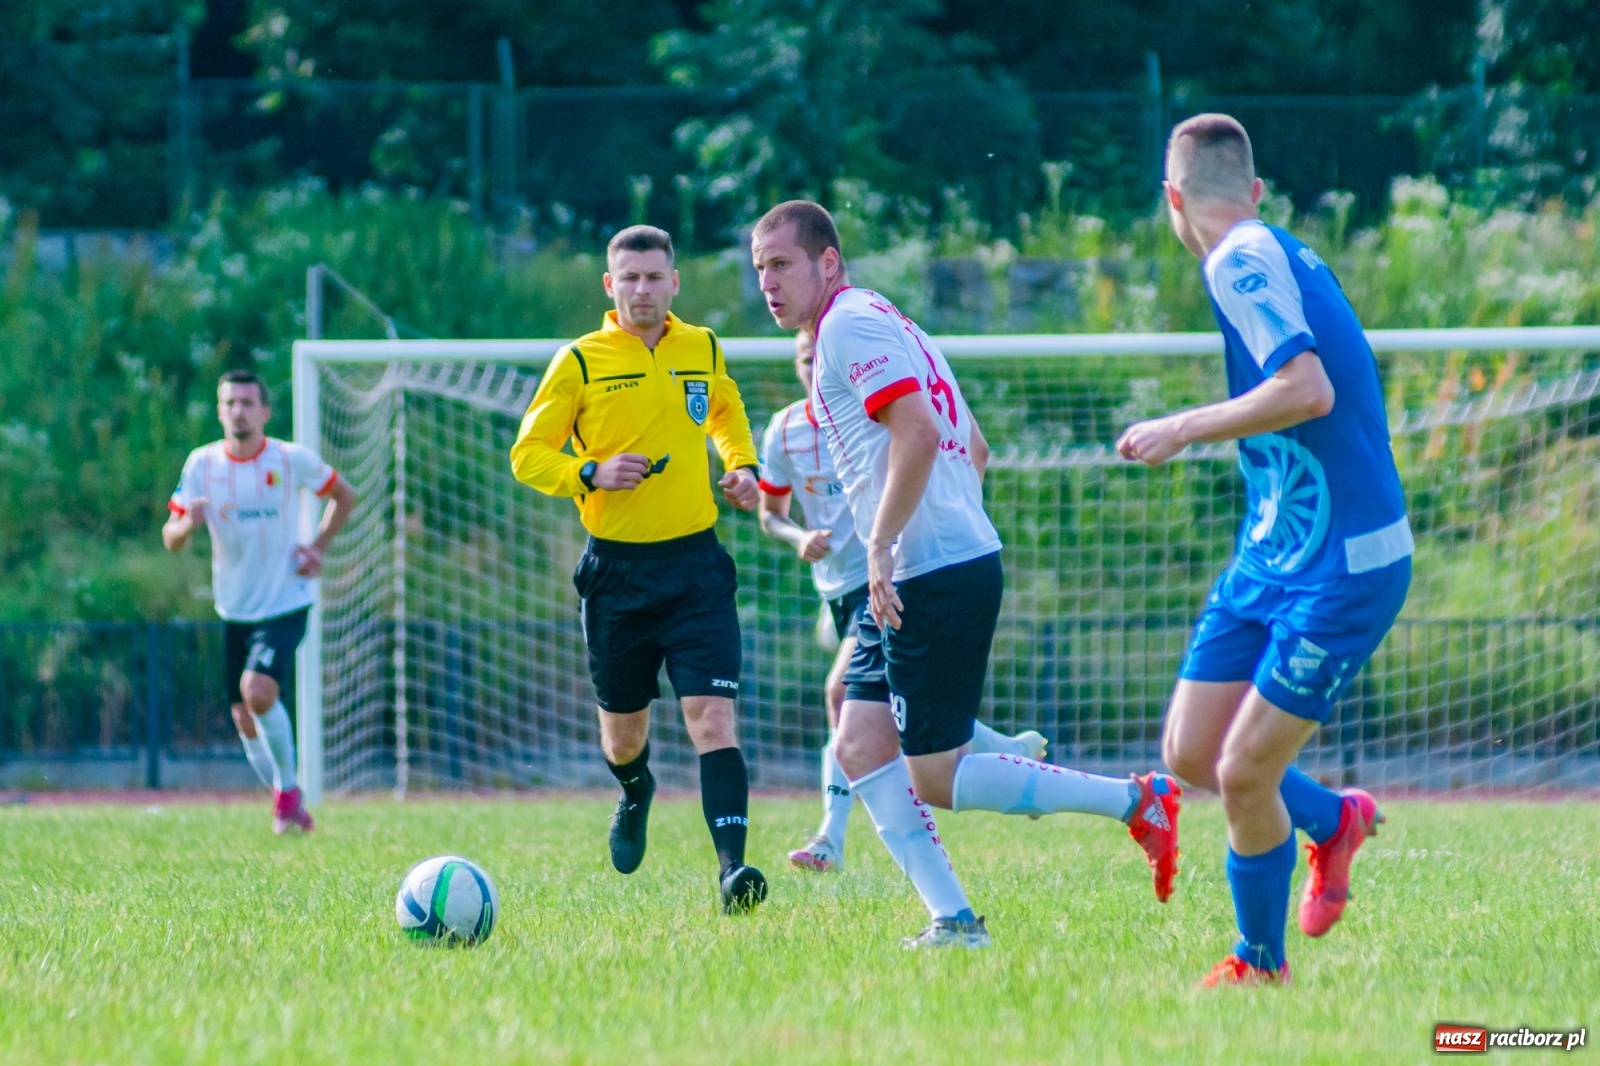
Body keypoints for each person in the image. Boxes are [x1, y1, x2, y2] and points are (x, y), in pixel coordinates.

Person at [751, 200, 1183, 948]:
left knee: (936, 779)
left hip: (926, 572)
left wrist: (890, 544)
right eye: (759, 268)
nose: (768, 282)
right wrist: (939, 528)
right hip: (932, 564)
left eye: (782, 264)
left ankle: (1136, 800)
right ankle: (953, 920)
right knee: (858, 744)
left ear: (828, 262)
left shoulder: (849, 325)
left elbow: (919, 430)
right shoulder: (887, 322)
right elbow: (972, 445)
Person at [1117, 114, 1411, 986]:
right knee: (1190, 751)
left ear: (1172, 199)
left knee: (1244, 772)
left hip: (1345, 561)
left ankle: (1261, 963)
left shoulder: (1236, 258)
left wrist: (1182, 426)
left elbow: (1307, 389)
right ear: (1250, 190)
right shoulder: (1266, 245)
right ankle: (1332, 819)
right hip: (1279, 546)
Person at [509, 224, 769, 914]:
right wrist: (588, 471)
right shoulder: (581, 362)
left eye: (655, 277)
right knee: (623, 735)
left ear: (674, 282)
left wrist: (742, 465)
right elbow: (528, 454)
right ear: (609, 285)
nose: (643, 290)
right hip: (616, 578)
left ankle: (733, 871)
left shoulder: (702, 346)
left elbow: (723, 408)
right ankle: (635, 790)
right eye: (630, 278)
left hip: (696, 568)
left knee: (712, 717)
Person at [757, 331, 1048, 874]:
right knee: (895, 719)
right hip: (837, 588)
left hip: (890, 580)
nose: (813, 367)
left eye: (821, 356)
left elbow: (960, 447)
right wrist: (798, 537)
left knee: (844, 698)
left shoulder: (877, 411)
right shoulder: (785, 430)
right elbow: (770, 511)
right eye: (805, 359)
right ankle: (1012, 754)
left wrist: (930, 527)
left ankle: (830, 837)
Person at [163, 369, 356, 834]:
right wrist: (189, 524)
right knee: (243, 717)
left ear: (265, 411)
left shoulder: (290, 460)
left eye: (248, 402)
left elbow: (344, 495)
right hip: (234, 607)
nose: (238, 411)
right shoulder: (201, 464)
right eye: (230, 402)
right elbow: (171, 538)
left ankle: (288, 795)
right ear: (219, 410)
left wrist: (318, 547)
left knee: (258, 691)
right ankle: (288, 799)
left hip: (286, 599)